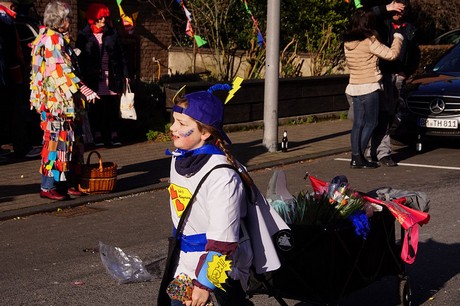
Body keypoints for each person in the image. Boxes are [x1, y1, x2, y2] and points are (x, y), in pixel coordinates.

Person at [158, 84, 288, 306]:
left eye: (181, 123)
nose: (172, 128)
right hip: (184, 261)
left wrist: (204, 284)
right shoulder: (178, 157)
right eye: (174, 120)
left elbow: (224, 240)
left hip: (218, 266)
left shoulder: (222, 177)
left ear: (205, 132)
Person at [29, 0, 99, 200]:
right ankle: (48, 185)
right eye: (67, 17)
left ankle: (64, 182)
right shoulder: (52, 40)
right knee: (55, 143)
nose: (70, 21)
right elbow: (61, 72)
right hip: (56, 103)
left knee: (68, 143)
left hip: (64, 102)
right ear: (59, 20)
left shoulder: (52, 38)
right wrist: (85, 90)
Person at [344, 8, 403, 169]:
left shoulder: (347, 42)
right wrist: (398, 36)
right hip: (369, 86)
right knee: (372, 122)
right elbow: (391, 55)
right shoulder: (370, 41)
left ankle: (356, 157)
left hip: (354, 85)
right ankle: (359, 156)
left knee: (358, 123)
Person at [368, 0, 420, 166]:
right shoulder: (382, 24)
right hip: (381, 74)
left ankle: (379, 150)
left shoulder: (410, 29)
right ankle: (378, 151)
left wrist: (407, 72)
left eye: (401, 10)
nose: (398, 12)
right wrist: (386, 8)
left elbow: (414, 53)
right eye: (395, 9)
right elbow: (366, 13)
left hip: (397, 75)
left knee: (389, 114)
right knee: (379, 114)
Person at [76, 3, 129, 147]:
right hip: (94, 77)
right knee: (96, 106)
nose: (103, 21)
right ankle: (97, 134)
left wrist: (125, 74)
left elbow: (120, 54)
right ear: (93, 19)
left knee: (112, 105)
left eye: (105, 18)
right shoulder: (83, 35)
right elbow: (80, 57)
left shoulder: (112, 32)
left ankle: (114, 133)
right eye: (100, 18)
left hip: (112, 74)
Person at [0, 1, 41, 163]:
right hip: (8, 75)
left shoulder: (9, 19)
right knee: (14, 111)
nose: (15, 8)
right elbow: (10, 51)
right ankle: (22, 146)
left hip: (7, 73)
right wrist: (16, 71)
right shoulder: (5, 20)